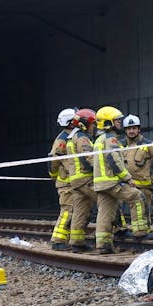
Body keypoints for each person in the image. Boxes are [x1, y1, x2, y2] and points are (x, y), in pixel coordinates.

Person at [91, 106, 153, 254]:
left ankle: (103, 244)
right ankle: (140, 232)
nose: (120, 122)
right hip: (112, 181)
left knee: (105, 212)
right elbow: (114, 160)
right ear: (108, 122)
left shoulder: (99, 139)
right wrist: (127, 178)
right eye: (117, 120)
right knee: (137, 197)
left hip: (101, 184)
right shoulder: (111, 139)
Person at [121, 114, 153, 227]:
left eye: (134, 128)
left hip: (144, 188)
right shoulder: (120, 145)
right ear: (125, 130)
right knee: (119, 214)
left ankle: (143, 234)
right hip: (125, 187)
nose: (131, 131)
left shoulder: (147, 144)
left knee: (143, 217)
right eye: (129, 129)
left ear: (139, 129)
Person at [66, 108, 98, 252]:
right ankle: (115, 232)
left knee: (80, 211)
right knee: (107, 201)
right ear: (84, 124)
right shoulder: (83, 138)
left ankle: (77, 242)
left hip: (75, 180)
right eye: (92, 124)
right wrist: (99, 170)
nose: (94, 127)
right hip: (85, 178)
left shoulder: (72, 136)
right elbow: (88, 158)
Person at [49, 108, 76, 250]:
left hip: (71, 181)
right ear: (70, 122)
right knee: (68, 210)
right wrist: (54, 176)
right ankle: (57, 240)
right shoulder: (63, 139)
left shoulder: (71, 136)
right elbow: (53, 160)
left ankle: (69, 240)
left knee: (74, 211)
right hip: (66, 183)